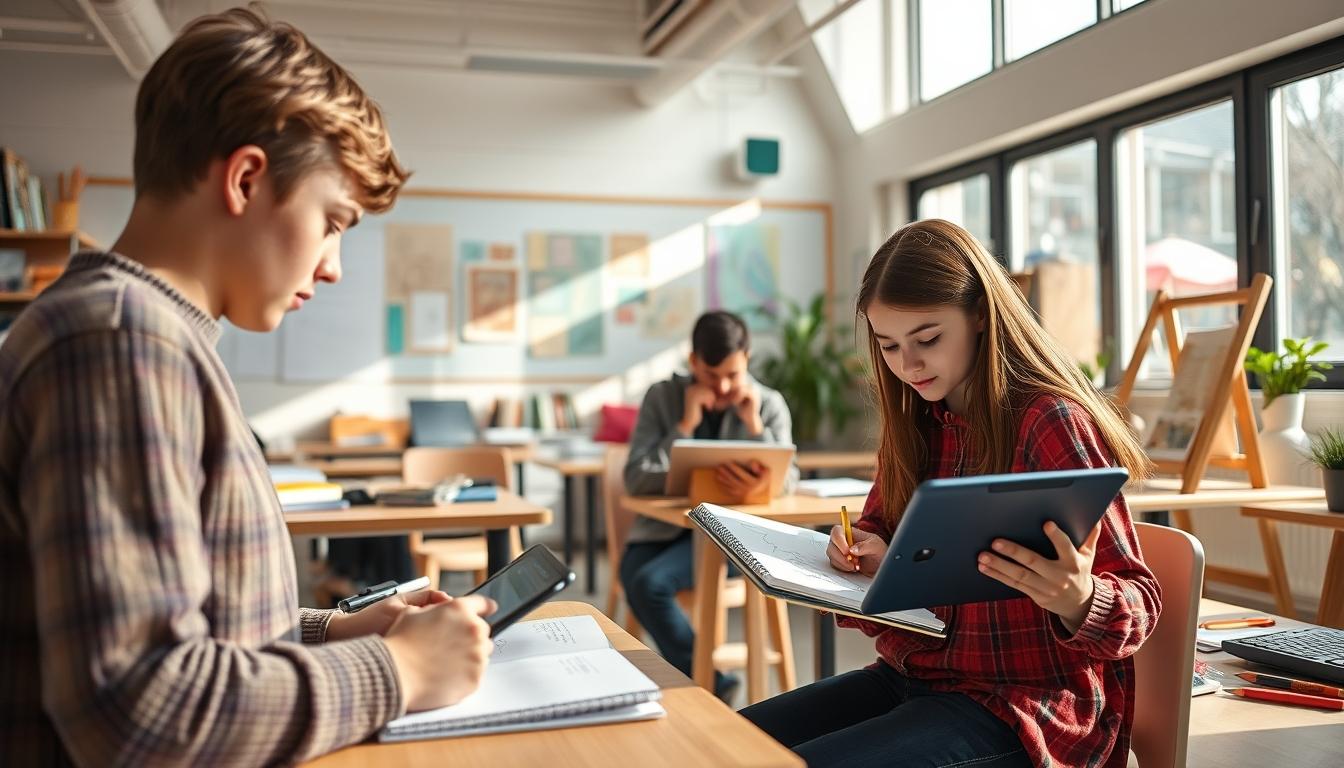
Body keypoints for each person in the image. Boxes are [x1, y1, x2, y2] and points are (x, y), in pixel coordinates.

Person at [0, 7, 497, 764]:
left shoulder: (146, 334)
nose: (332, 265)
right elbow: (141, 710)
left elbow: (194, 626)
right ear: (245, 178)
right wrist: (400, 669)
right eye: (332, 220)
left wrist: (338, 629)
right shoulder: (121, 342)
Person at [740, 219, 1161, 768]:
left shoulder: (1049, 421)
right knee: (723, 744)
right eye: (888, 345)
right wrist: (860, 552)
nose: (908, 364)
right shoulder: (915, 422)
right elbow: (875, 536)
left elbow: (1141, 598)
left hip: (1023, 707)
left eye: (928, 339)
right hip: (911, 679)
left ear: (980, 315)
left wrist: (1080, 601)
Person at [621, 309, 799, 703]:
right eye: (710, 375)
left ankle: (710, 686)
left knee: (649, 584)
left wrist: (756, 432)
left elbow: (788, 481)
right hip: (662, 533)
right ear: (693, 362)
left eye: (732, 376)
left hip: (730, 539)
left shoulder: (768, 404)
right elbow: (635, 476)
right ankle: (712, 679)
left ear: (747, 360)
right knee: (633, 575)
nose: (721, 387)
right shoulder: (662, 397)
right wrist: (683, 425)